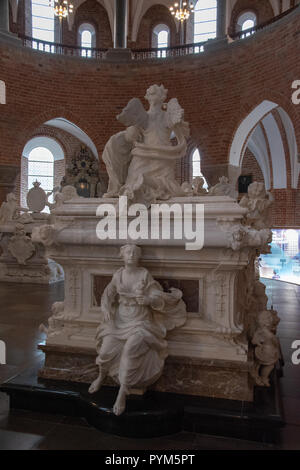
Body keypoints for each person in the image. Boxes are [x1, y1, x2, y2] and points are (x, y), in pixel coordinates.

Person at [89, 244, 186, 415]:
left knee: (129, 350)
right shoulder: (118, 274)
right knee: (104, 352)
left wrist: (148, 300)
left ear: (139, 256)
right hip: (119, 321)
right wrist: (105, 309)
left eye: (135, 252)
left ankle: (122, 391)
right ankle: (101, 376)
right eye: (128, 252)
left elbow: (156, 295)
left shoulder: (144, 274)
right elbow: (108, 294)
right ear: (122, 255)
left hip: (140, 321)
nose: (131, 255)